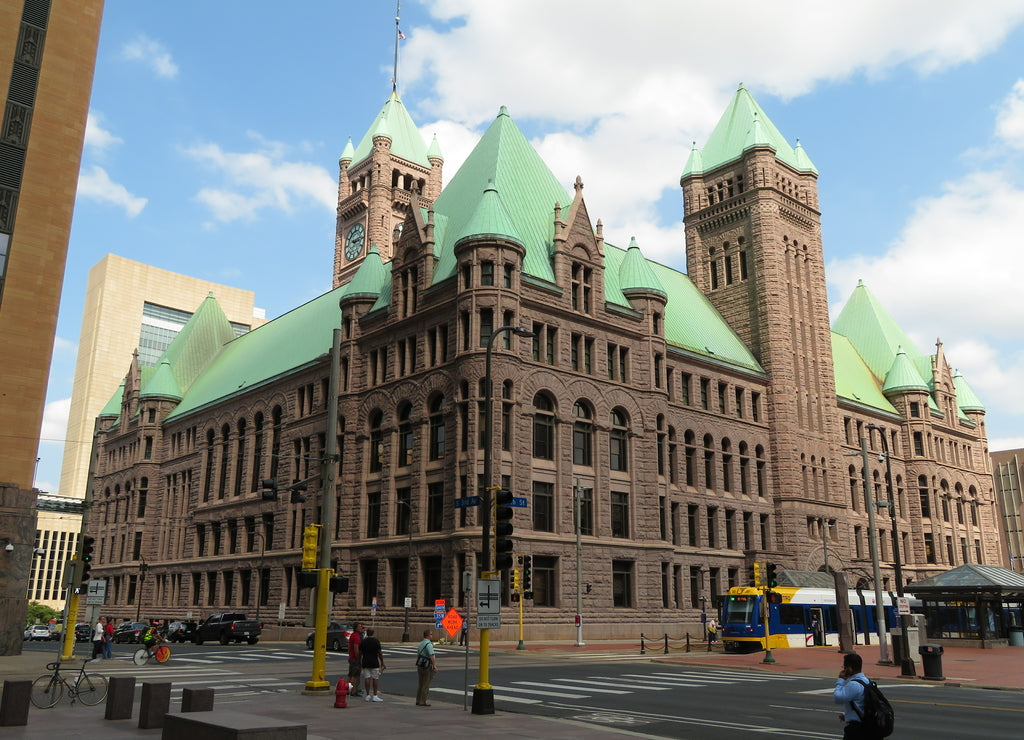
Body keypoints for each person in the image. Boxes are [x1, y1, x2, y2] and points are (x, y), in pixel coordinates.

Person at [833, 652, 870, 739]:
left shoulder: (854, 684)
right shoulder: (866, 681)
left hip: (856, 729)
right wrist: (847, 715)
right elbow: (862, 704)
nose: (844, 669)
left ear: (849, 668)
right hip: (866, 726)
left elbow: (838, 698)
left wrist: (841, 680)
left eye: (844, 667)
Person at [360, 627, 385, 702]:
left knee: (367, 678)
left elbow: (360, 653)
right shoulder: (376, 641)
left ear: (367, 633)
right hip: (374, 661)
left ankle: (367, 695)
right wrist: (382, 662)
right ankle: (375, 695)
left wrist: (359, 662)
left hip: (365, 661)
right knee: (375, 678)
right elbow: (379, 652)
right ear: (373, 633)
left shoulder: (364, 641)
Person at [415, 628, 438, 707]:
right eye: (431, 634)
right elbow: (431, 655)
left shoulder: (421, 643)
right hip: (427, 665)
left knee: (420, 683)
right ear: (428, 636)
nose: (432, 635)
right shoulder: (429, 644)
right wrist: (434, 665)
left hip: (420, 664)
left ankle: (418, 700)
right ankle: (423, 701)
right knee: (426, 683)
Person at [347, 622, 364, 696]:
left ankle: (348, 690)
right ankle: (353, 691)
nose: (361, 628)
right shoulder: (356, 637)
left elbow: (349, 648)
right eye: (360, 627)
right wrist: (359, 659)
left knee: (350, 674)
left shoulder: (352, 635)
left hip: (351, 657)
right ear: (356, 628)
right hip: (355, 659)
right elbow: (356, 649)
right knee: (355, 675)